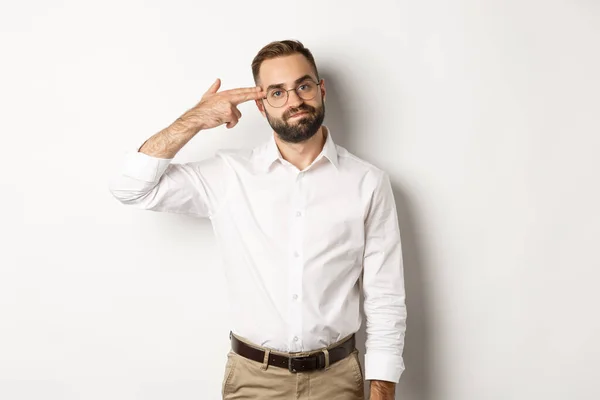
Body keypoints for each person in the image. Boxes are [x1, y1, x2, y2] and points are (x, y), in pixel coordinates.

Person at [109, 39, 406, 400]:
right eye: (277, 92)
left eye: (303, 85)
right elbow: (130, 188)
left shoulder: (368, 182)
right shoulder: (230, 175)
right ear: (261, 107)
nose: (294, 100)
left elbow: (385, 297)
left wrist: (382, 391)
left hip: (338, 380)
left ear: (321, 89)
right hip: (254, 382)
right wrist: (195, 120)